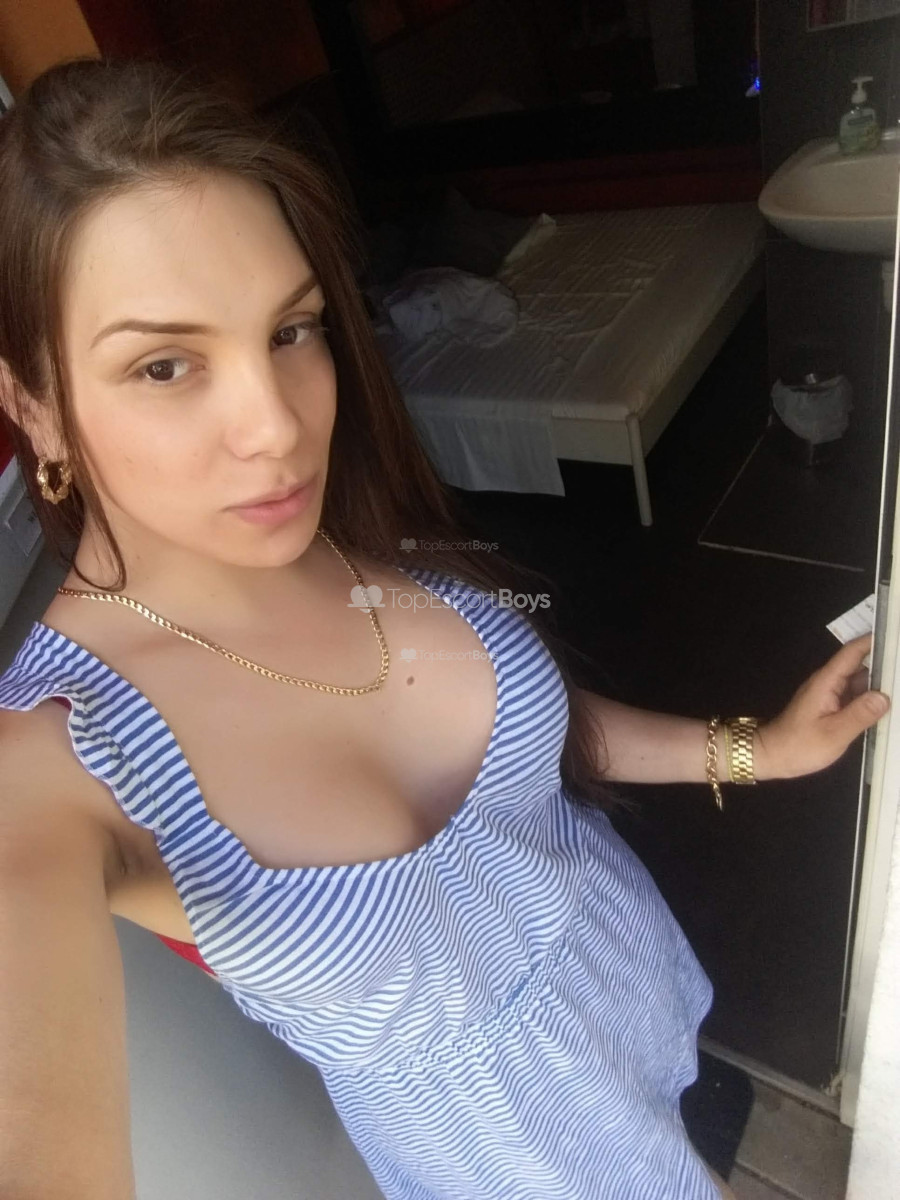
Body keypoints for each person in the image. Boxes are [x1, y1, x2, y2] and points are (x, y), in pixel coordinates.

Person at [0, 58, 887, 1200]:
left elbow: (535, 730)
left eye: (292, 329)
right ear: (34, 408)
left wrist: (754, 750)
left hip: (636, 991)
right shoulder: (54, 763)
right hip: (522, 1164)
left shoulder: (348, 530)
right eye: (164, 365)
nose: (277, 427)